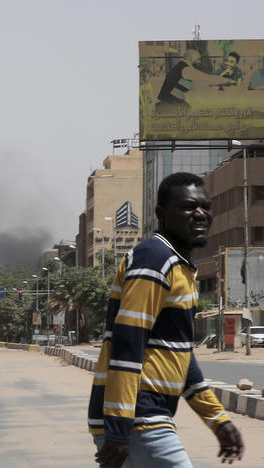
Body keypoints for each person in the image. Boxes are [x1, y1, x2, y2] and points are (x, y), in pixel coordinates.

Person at [89, 172, 244, 467]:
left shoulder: (181, 267)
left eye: (205, 207)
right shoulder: (155, 259)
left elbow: (181, 356)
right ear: (162, 214)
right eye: (188, 207)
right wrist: (120, 430)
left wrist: (218, 420)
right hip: (138, 416)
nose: (200, 215)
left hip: (144, 415)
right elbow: (127, 342)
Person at [157, 49, 233, 110]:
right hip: (169, 105)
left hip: (169, 102)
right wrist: (226, 80)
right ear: (192, 58)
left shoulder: (180, 67)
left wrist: (217, 87)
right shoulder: (186, 69)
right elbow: (207, 78)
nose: (199, 62)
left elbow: (196, 86)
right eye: (197, 59)